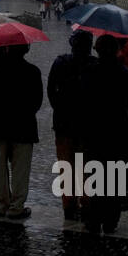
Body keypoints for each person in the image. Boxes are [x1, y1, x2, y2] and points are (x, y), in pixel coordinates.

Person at [80, 35, 128, 234]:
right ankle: (111, 219)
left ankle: (93, 218)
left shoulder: (89, 71)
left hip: (94, 130)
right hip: (116, 131)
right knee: (114, 177)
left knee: (94, 176)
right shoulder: (124, 73)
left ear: (97, 50)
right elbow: (126, 104)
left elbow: (84, 102)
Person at [0, 44, 43, 218]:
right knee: (21, 169)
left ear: (8, 49)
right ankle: (16, 207)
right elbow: (37, 102)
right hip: (23, 125)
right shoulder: (32, 71)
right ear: (26, 50)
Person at [47, 29, 96, 219]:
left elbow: (51, 88)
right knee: (86, 165)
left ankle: (69, 204)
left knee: (66, 165)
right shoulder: (94, 65)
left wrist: (58, 108)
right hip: (87, 124)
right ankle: (86, 202)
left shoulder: (60, 62)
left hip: (63, 123)